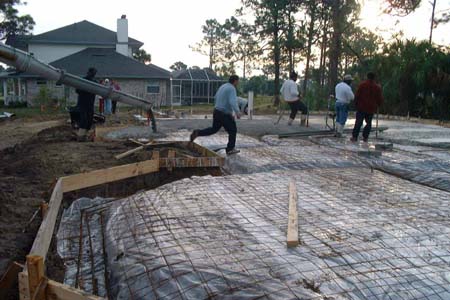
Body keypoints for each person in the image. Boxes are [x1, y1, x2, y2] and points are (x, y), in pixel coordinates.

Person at [190, 75, 241, 155]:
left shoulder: (223, 86)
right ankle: (230, 149)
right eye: (238, 81)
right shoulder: (232, 88)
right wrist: (237, 112)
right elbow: (232, 102)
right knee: (232, 130)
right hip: (223, 113)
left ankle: (198, 132)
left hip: (217, 111)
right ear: (235, 81)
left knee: (214, 129)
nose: (238, 83)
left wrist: (229, 112)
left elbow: (216, 97)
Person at [351, 72, 383, 142]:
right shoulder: (377, 87)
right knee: (369, 123)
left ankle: (354, 137)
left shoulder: (362, 85)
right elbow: (379, 98)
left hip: (361, 107)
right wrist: (378, 105)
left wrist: (355, 104)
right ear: (374, 78)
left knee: (358, 122)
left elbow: (357, 95)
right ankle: (365, 137)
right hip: (371, 108)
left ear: (367, 77)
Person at [76, 67, 97, 141]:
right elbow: (77, 90)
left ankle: (87, 135)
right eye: (93, 73)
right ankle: (81, 136)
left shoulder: (95, 82)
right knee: (84, 119)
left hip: (90, 103)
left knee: (90, 119)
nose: (94, 74)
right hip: (83, 103)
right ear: (89, 72)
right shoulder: (83, 80)